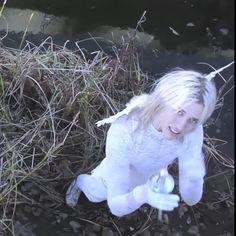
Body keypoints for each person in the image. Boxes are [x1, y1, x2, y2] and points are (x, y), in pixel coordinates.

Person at [65, 62, 234, 217]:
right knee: (96, 195)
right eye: (179, 111)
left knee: (132, 195)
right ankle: (80, 181)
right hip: (113, 175)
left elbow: (191, 199)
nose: (182, 126)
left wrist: (195, 177)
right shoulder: (125, 131)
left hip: (148, 177)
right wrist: (142, 195)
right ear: (163, 101)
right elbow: (116, 207)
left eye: (193, 120)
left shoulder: (194, 130)